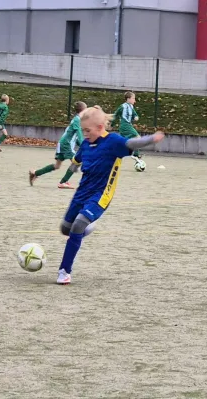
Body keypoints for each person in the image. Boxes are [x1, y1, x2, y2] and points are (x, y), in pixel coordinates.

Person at [56, 106, 164, 285]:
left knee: (77, 226)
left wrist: (151, 139)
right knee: (65, 229)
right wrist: (73, 167)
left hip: (101, 194)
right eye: (83, 130)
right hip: (81, 193)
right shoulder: (86, 143)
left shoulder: (113, 141)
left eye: (88, 130)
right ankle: (85, 229)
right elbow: (78, 159)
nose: (85, 134)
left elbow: (131, 144)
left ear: (100, 127)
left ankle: (64, 271)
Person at [29, 101, 87, 189]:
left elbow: (75, 137)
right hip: (66, 144)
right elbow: (79, 134)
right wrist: (84, 145)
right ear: (83, 111)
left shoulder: (77, 119)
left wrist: (81, 144)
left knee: (57, 166)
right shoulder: (77, 120)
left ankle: (35, 173)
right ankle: (63, 182)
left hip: (63, 143)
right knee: (77, 162)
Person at [112, 91, 141, 163]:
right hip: (125, 125)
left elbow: (135, 114)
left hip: (127, 125)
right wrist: (112, 124)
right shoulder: (122, 106)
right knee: (137, 137)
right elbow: (116, 114)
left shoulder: (131, 106)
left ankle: (113, 154)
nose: (135, 100)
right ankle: (136, 154)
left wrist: (136, 117)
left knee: (123, 143)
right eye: (133, 98)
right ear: (128, 99)